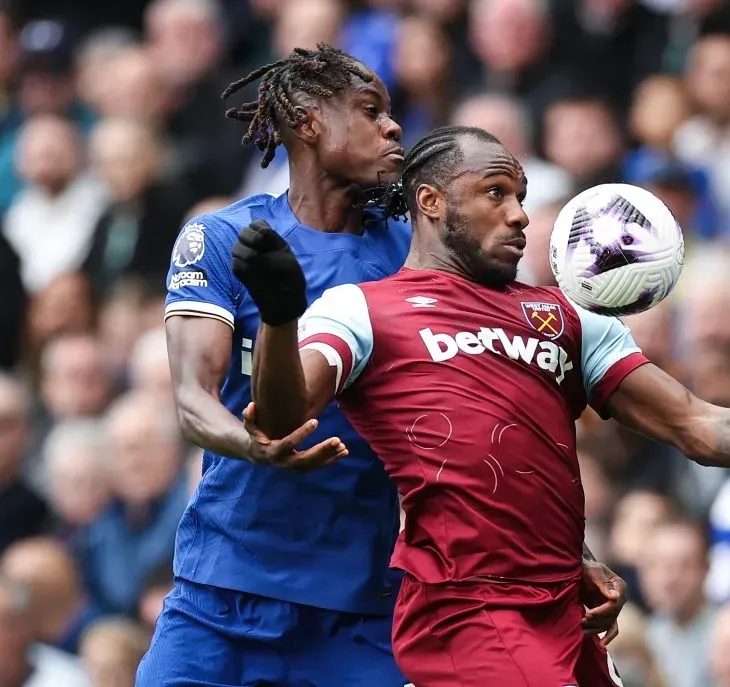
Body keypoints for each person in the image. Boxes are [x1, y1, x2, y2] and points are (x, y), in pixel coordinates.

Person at [235, 125, 730, 685]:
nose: (518, 213)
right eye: (496, 192)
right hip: (466, 611)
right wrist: (276, 317)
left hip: (564, 613)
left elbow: (696, 422)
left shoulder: (564, 316)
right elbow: (279, 416)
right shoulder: (364, 309)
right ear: (431, 201)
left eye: (523, 194)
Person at [140, 43, 625, 687]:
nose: (393, 127)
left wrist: (571, 552)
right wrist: (258, 446)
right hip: (225, 591)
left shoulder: (419, 256)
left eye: (391, 112)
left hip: (366, 605)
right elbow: (191, 399)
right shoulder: (227, 239)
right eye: (370, 111)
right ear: (307, 122)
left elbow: (494, 421)